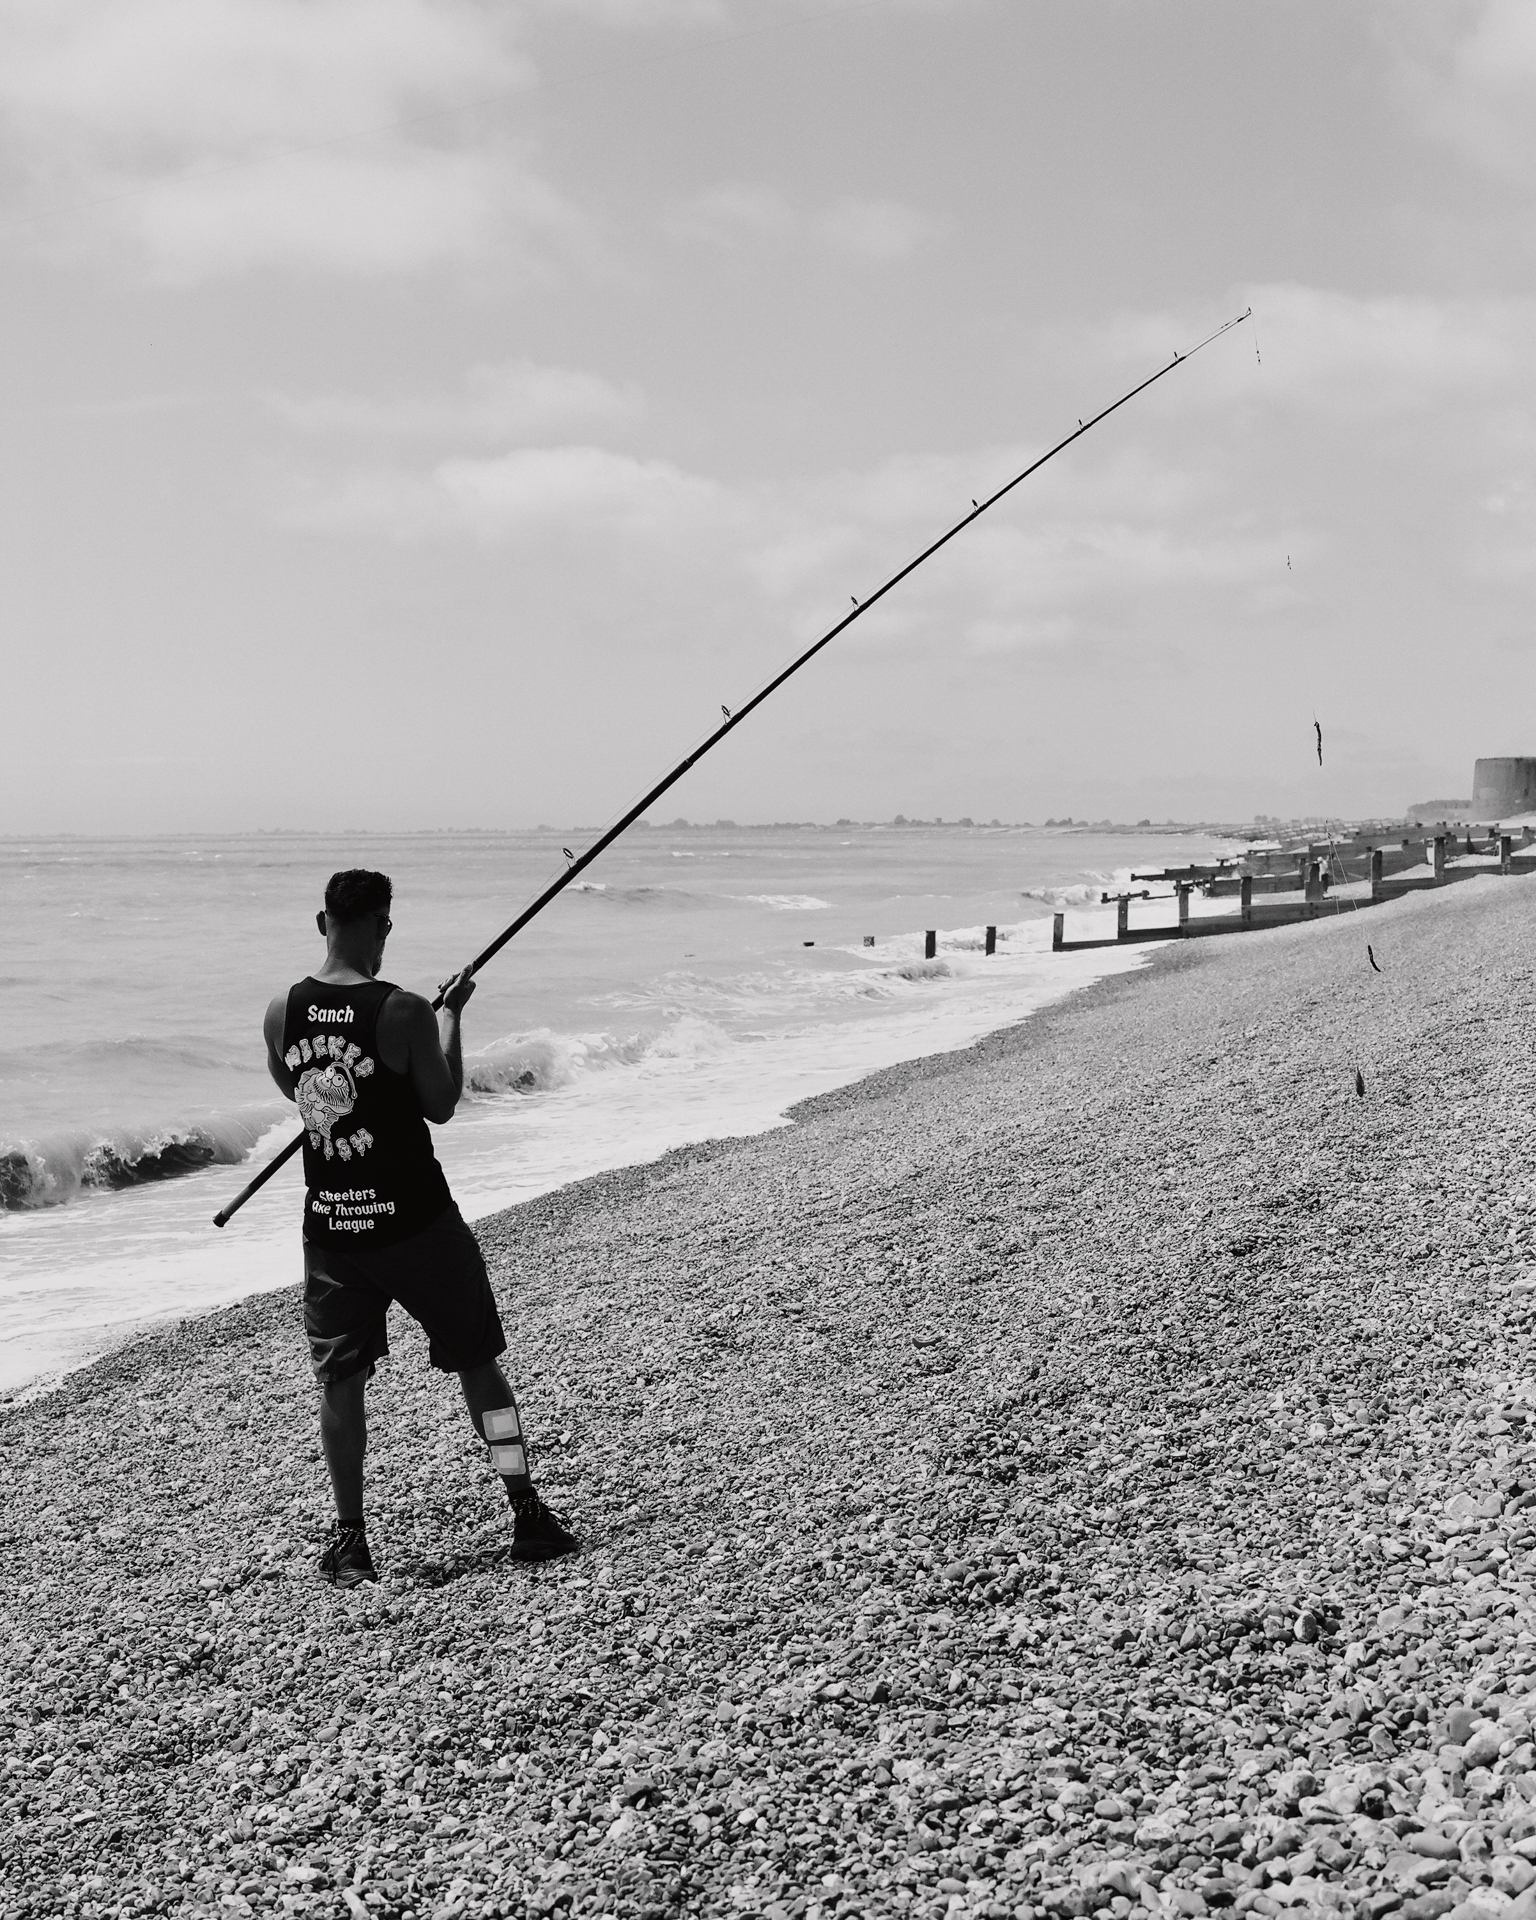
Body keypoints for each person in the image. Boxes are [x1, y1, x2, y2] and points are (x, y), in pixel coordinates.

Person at [263, 867, 577, 1586]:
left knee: (341, 1383)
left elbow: (303, 1096)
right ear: (384, 926)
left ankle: (350, 1542)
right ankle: (525, 1509)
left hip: (334, 1231)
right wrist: (453, 1015)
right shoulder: (402, 1010)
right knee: (476, 1362)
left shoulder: (282, 1008)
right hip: (416, 1225)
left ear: (322, 924)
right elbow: (439, 1103)